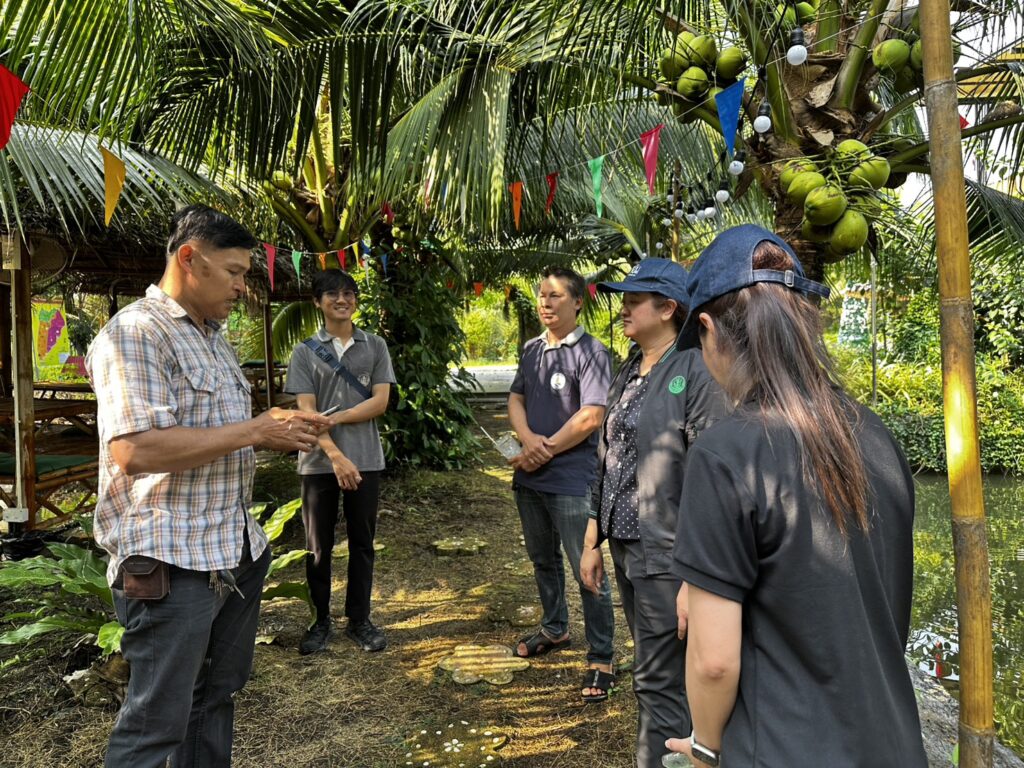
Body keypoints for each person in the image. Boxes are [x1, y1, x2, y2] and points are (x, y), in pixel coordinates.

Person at [665, 225, 928, 767]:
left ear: (708, 328)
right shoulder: (876, 436)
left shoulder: (725, 454)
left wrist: (705, 747)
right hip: (894, 745)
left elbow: (713, 662)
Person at [86, 204, 329, 768]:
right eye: (235, 272)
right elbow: (135, 450)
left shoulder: (213, 337)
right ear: (190, 259)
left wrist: (274, 429)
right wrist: (255, 429)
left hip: (232, 550)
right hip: (172, 562)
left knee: (214, 699)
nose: (243, 287)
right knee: (155, 724)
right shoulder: (136, 333)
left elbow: (216, 432)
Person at [579, 258, 726, 768]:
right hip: (627, 545)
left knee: (657, 678)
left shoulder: (695, 369)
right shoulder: (628, 369)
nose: (623, 309)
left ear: (668, 309)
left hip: (668, 553)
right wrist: (592, 540)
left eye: (634, 300)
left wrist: (696, 574)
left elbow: (711, 476)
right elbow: (607, 457)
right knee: (657, 665)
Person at [507, 266, 616, 702]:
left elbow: (592, 415)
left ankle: (602, 657)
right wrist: (528, 441)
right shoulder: (531, 349)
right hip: (529, 477)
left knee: (587, 568)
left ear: (577, 302)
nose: (545, 303)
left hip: (571, 479)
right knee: (542, 560)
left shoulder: (592, 352)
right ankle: (555, 628)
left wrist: (545, 449)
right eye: (541, 295)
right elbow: (516, 398)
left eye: (554, 295)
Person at [285, 269, 396, 654]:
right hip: (318, 464)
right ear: (318, 302)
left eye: (348, 293)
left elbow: (380, 401)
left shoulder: (375, 346)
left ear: (355, 301)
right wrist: (335, 455)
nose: (341, 299)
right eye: (332, 293)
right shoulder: (304, 352)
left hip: (365, 459)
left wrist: (337, 418)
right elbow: (306, 411)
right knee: (318, 546)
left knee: (363, 543)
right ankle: (319, 621)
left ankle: (359, 620)